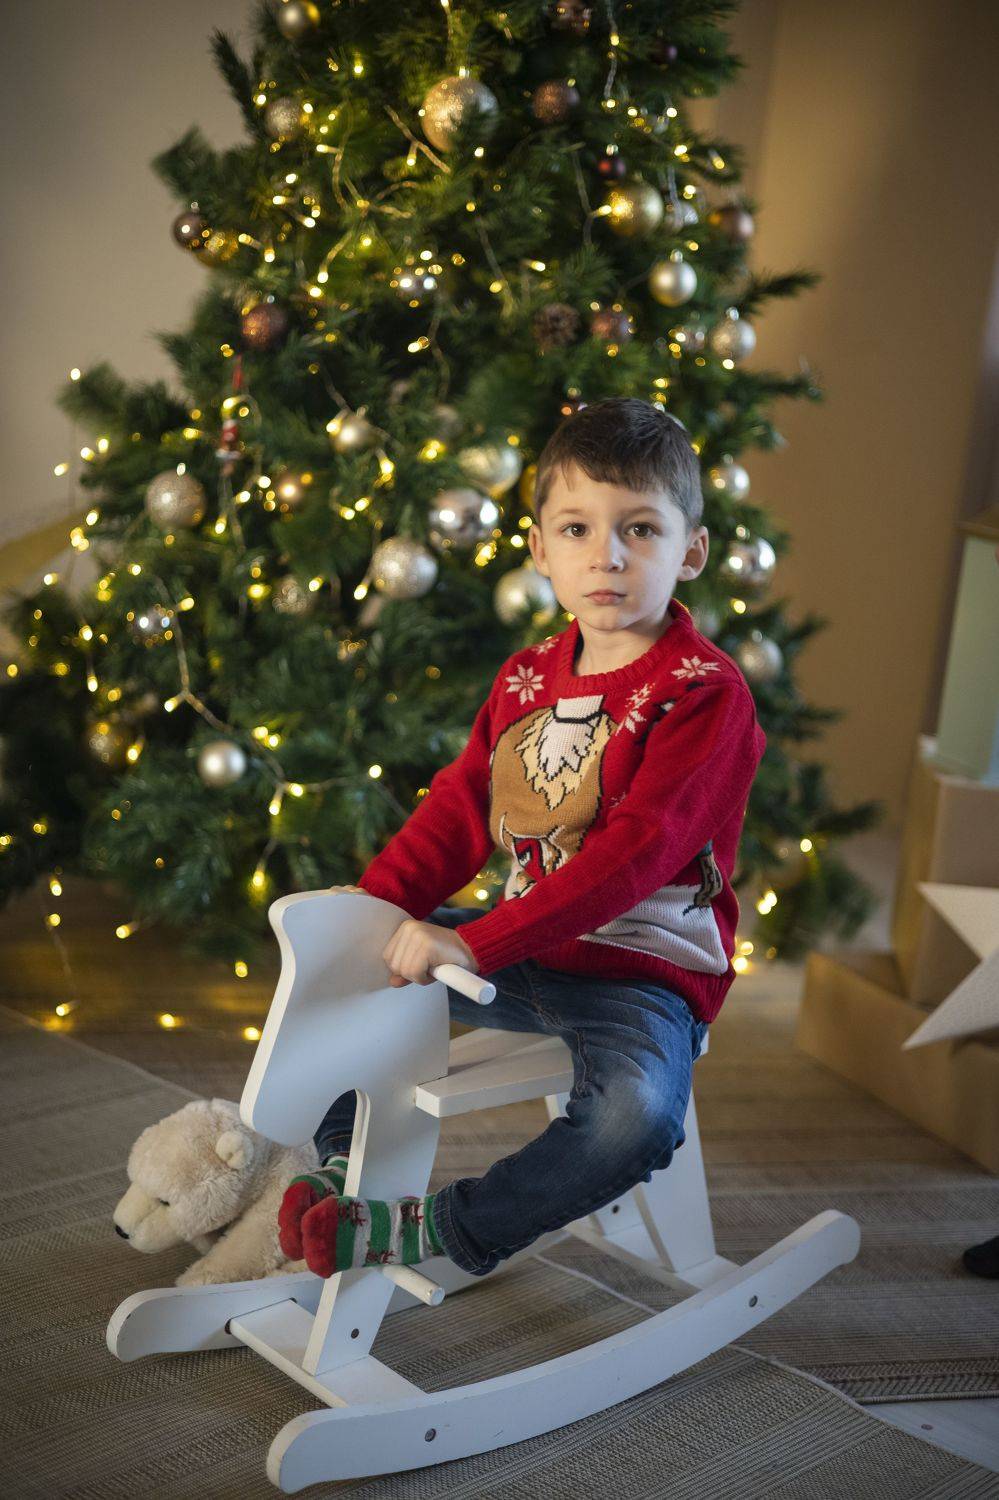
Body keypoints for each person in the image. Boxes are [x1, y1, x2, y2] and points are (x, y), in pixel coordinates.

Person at [278, 396, 768, 1279]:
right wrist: (377, 903)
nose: (607, 555)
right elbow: (464, 804)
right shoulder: (529, 676)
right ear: (540, 549)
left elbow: (633, 857)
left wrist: (472, 941)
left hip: (639, 972)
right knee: (341, 971)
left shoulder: (703, 694)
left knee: (636, 1116)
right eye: (578, 529)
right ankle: (342, 1171)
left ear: (690, 551)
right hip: (519, 947)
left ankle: (440, 1229)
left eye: (641, 529)